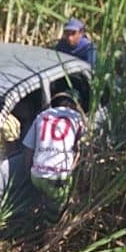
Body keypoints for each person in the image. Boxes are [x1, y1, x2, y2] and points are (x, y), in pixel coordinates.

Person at [22, 91, 85, 226]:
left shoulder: (42, 116)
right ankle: (48, 239)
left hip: (37, 175)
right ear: (71, 104)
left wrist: (29, 172)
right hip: (57, 178)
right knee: (55, 218)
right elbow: (82, 147)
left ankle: (37, 225)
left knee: (44, 203)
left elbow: (28, 148)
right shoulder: (76, 118)